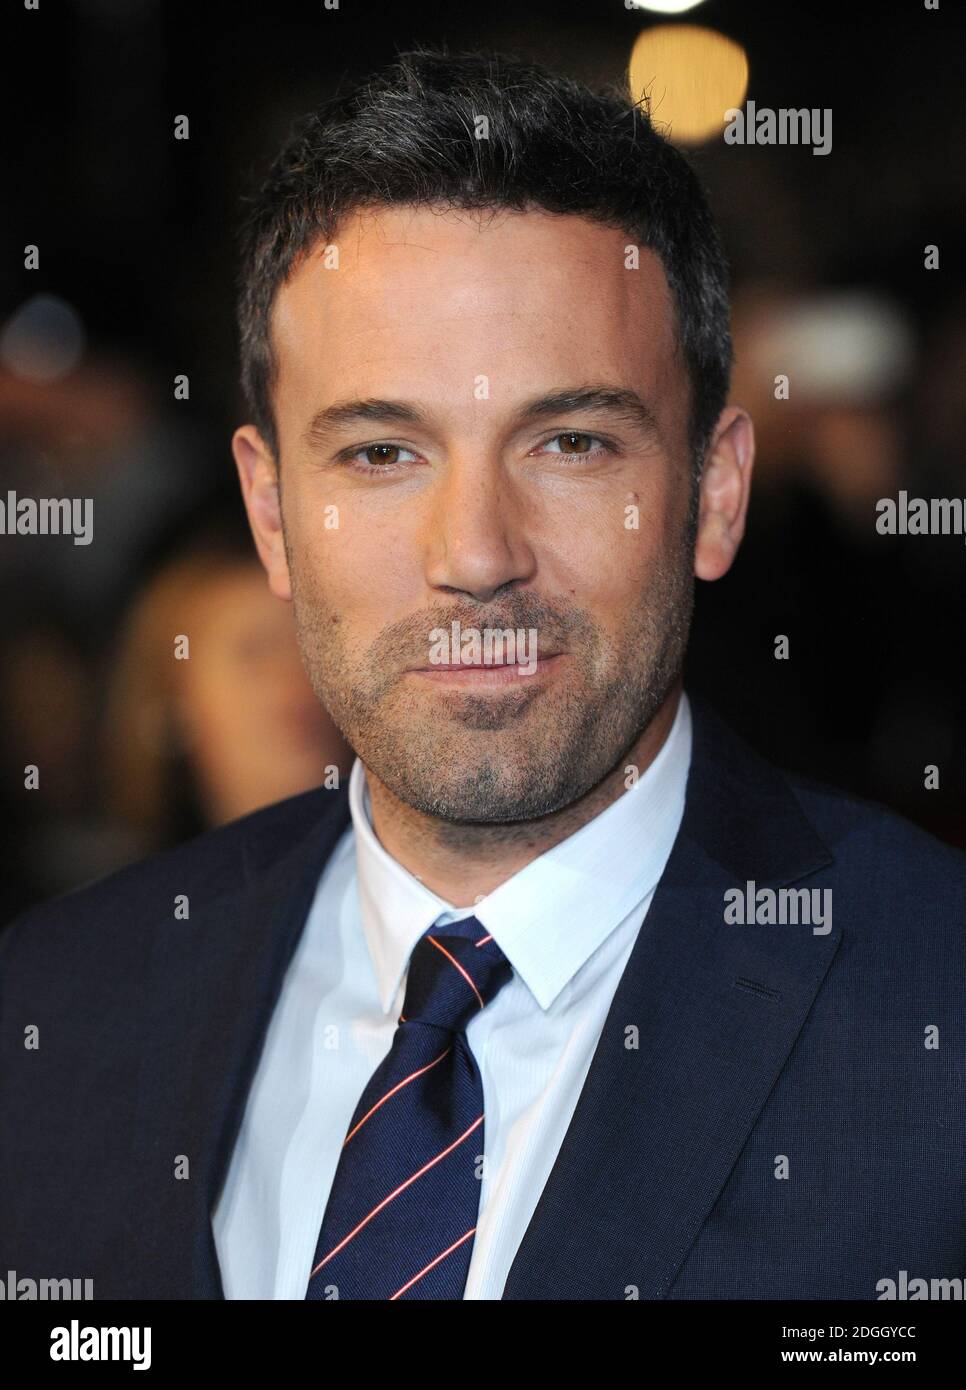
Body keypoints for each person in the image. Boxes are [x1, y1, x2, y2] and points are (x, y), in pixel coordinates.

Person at [1, 47, 964, 1302]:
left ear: (715, 493)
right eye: (383, 451)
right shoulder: (54, 1019)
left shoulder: (931, 1014)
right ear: (271, 511)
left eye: (571, 442)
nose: (476, 556)